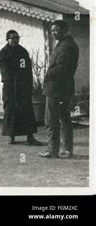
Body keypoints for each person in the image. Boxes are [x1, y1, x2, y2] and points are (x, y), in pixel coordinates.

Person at [39, 20, 79, 159]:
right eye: (52, 31)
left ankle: (53, 150)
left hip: (57, 87)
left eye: (56, 30)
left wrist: (47, 74)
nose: (54, 33)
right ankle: (66, 150)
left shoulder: (66, 46)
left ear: (64, 30)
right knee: (64, 119)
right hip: (62, 87)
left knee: (51, 120)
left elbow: (61, 68)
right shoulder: (64, 43)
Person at [0, 30, 42, 145]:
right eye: (13, 38)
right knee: (10, 110)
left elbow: (27, 69)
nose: (15, 40)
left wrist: (27, 84)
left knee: (26, 110)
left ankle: (30, 136)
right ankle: (11, 136)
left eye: (17, 38)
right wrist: (11, 80)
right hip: (10, 87)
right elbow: (4, 70)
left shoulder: (22, 51)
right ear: (7, 39)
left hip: (23, 86)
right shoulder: (4, 53)